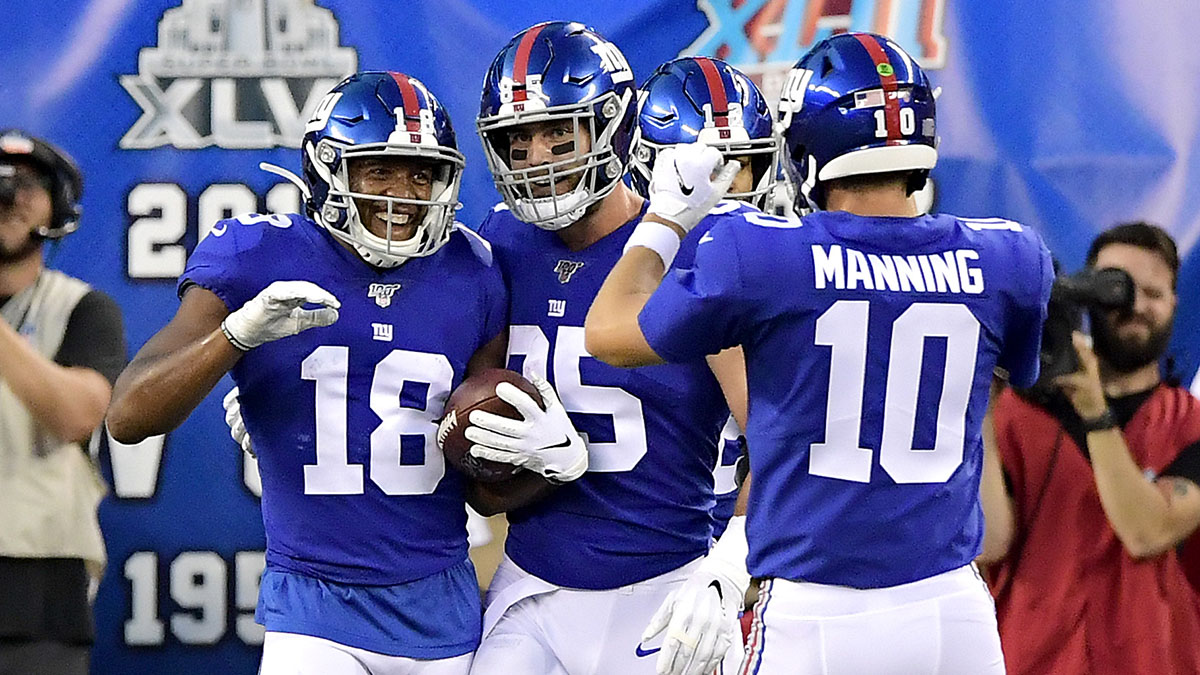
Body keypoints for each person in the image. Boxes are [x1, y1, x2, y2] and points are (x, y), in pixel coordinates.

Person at [585, 31, 1054, 675]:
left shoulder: (762, 254)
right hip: (951, 610)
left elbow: (608, 334)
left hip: (817, 611)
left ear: (805, 147)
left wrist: (665, 214)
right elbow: (1004, 372)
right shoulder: (1011, 257)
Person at [105, 71, 571, 675]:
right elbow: (128, 417)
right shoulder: (258, 253)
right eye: (380, 169)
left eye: (420, 171)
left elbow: (481, 486)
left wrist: (548, 463)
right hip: (314, 607)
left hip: (441, 607)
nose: (404, 193)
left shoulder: (472, 268)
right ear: (329, 170)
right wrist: (234, 339)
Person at [465, 21, 753, 675]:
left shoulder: (695, 245)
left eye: (559, 132)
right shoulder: (502, 241)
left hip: (663, 588)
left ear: (614, 128)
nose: (538, 157)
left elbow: (787, 444)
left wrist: (730, 570)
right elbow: (469, 456)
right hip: (531, 587)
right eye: (518, 139)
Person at [979, 222, 1200, 674]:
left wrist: (1094, 411)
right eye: (1117, 291)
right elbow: (990, 542)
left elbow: (1148, 533)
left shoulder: (1191, 426)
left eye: (1153, 294)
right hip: (1031, 659)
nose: (1135, 306)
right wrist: (981, 409)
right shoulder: (1018, 414)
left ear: (1176, 303)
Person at [629, 55, 782, 541]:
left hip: (722, 542)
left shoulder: (752, 269)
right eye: (709, 168)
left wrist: (732, 563)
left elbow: (780, 449)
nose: (730, 187)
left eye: (743, 165)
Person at [0, 130, 125, 675]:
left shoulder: (83, 308)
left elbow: (78, 416)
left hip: (38, 578)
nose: (9, 198)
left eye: (27, 186)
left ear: (58, 205)